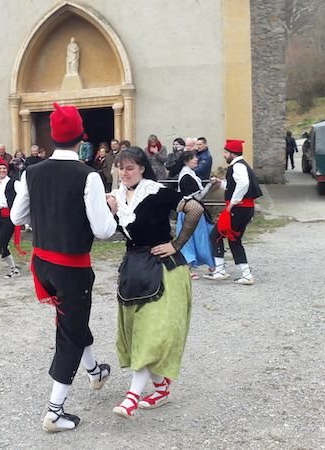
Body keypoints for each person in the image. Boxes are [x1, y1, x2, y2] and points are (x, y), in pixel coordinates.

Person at [10, 102, 117, 433]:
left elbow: (16, 217)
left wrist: (46, 218)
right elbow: (103, 230)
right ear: (80, 137)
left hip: (43, 263)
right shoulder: (89, 176)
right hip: (71, 266)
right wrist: (111, 208)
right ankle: (55, 411)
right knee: (69, 332)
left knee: (73, 321)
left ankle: (94, 371)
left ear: (54, 137)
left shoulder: (32, 172)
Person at [104, 147, 205, 420]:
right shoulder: (116, 197)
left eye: (130, 168)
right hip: (134, 271)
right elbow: (117, 232)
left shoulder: (157, 192)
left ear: (142, 168)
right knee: (140, 334)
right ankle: (161, 389)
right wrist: (112, 212)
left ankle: (131, 398)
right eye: (120, 168)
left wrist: (176, 244)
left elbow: (195, 208)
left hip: (164, 271)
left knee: (150, 335)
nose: (124, 173)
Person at [204, 139, 262, 285]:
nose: (224, 155)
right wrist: (221, 183)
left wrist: (233, 202)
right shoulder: (240, 166)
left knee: (215, 235)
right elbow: (235, 185)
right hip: (244, 208)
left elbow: (243, 184)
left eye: (225, 152)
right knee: (233, 239)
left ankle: (220, 271)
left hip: (238, 208)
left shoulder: (238, 166)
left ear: (231, 153)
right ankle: (244, 273)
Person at [176, 151, 215, 278]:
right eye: (193, 158)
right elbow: (199, 196)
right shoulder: (187, 176)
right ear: (187, 160)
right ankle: (190, 268)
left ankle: (212, 265)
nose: (196, 160)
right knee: (195, 238)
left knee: (201, 236)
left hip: (193, 210)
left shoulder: (189, 174)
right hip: (192, 211)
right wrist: (210, 184)